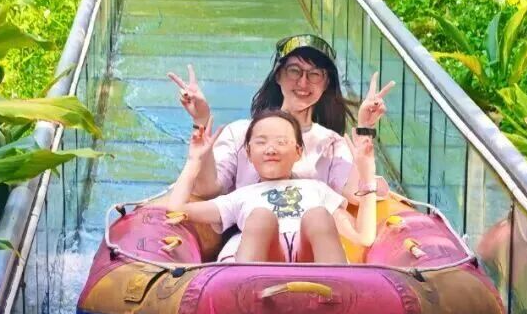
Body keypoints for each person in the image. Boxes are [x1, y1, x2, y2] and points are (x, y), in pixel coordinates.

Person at [166, 34, 394, 203]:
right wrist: (202, 120)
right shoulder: (240, 133)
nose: (303, 82)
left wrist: (365, 127)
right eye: (294, 70)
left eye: (315, 74)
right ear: (278, 76)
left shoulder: (332, 144)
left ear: (326, 84)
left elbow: (356, 195)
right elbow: (207, 190)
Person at [167, 110, 378, 263]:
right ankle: (242, 287)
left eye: (281, 142)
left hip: (309, 259)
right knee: (260, 217)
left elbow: (364, 237)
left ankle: (338, 289)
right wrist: (194, 160)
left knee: (318, 216)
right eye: (261, 142)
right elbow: (177, 209)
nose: (270, 149)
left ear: (298, 152)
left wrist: (367, 169)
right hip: (264, 257)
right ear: (248, 153)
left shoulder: (317, 189)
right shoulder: (241, 196)